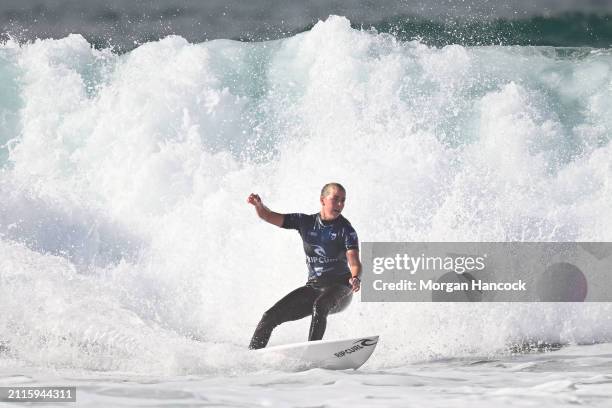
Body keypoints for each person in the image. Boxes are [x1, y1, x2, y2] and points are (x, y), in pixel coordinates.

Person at [247, 183, 362, 350]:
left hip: (341, 288)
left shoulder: (346, 229)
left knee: (320, 305)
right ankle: (252, 356)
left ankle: (312, 353)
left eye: (343, 201)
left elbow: (354, 260)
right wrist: (259, 205)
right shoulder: (304, 222)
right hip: (314, 287)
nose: (340, 204)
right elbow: (268, 215)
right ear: (323, 200)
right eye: (335, 199)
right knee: (269, 317)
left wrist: (355, 277)